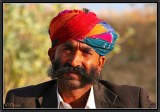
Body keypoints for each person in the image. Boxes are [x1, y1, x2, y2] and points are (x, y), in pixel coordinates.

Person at [4, 8, 156, 109]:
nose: (74, 61)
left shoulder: (134, 101)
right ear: (52, 55)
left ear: (100, 63)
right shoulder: (20, 101)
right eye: (67, 49)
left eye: (86, 52)